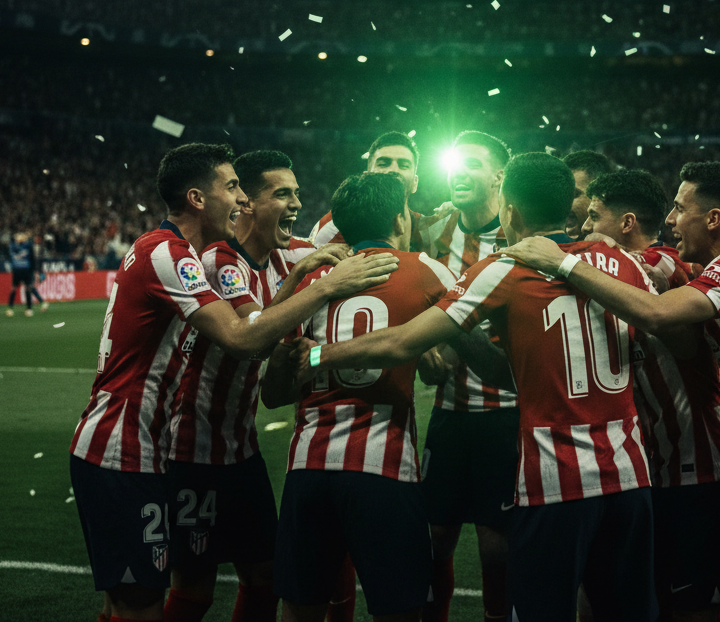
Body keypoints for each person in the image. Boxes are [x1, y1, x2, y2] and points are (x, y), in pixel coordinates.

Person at [298, 152, 663, 621]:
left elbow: (401, 342)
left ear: (510, 211)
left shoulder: (503, 267)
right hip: (631, 476)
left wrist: (316, 354)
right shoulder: (618, 262)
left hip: (556, 480)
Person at [507, 160, 720, 622]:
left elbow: (656, 304)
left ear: (713, 218)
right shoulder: (719, 267)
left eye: (679, 207)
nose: (670, 219)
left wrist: (565, 259)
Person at [69, 142, 397, 622]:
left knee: (157, 593)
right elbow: (245, 338)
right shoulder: (177, 254)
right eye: (233, 187)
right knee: (144, 599)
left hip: (167, 448)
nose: (240, 199)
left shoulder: (184, 252)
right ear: (199, 199)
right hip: (133, 447)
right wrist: (328, 285)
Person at [262, 171, 459, 621]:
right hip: (383, 467)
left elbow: (272, 395)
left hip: (307, 469)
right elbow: (459, 350)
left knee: (299, 609)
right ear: (400, 218)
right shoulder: (427, 269)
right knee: (400, 608)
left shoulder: (313, 284)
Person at [164, 149, 352, 622]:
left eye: (297, 193)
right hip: (194, 450)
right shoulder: (220, 261)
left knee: (265, 576)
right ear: (247, 203)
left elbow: (346, 245)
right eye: (281, 194)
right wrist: (313, 285)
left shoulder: (288, 256)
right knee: (194, 586)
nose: (295, 203)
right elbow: (252, 338)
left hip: (240, 449)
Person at [581, 169, 720, 622]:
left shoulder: (665, 265)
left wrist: (573, 255)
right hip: (656, 472)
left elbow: (654, 279)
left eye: (593, 215)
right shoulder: (615, 275)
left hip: (704, 469)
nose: (583, 227)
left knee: (694, 609)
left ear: (627, 223)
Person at [413, 130, 516, 622]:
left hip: (505, 415)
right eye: (456, 163)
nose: (459, 171)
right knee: (434, 537)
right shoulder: (434, 230)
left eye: (473, 163)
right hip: (449, 414)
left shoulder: (520, 238)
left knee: (497, 548)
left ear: (499, 174)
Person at [309, 131, 433, 253]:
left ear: (415, 183)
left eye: (404, 165)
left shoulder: (429, 231)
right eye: (383, 164)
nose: (393, 170)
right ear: (366, 177)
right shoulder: (332, 228)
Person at [562, 149, 614, 239]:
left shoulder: (622, 250)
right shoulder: (544, 245)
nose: (561, 202)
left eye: (573, 194)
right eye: (559, 194)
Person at [6, 230, 47, 317]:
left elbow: (32, 258)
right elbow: (10, 254)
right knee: (14, 289)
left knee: (28, 289)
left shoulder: (28, 246)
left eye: (21, 237)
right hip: (17, 270)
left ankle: (29, 309)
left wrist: (34, 271)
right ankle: (10, 308)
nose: (20, 239)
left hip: (27, 270)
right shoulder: (13, 246)